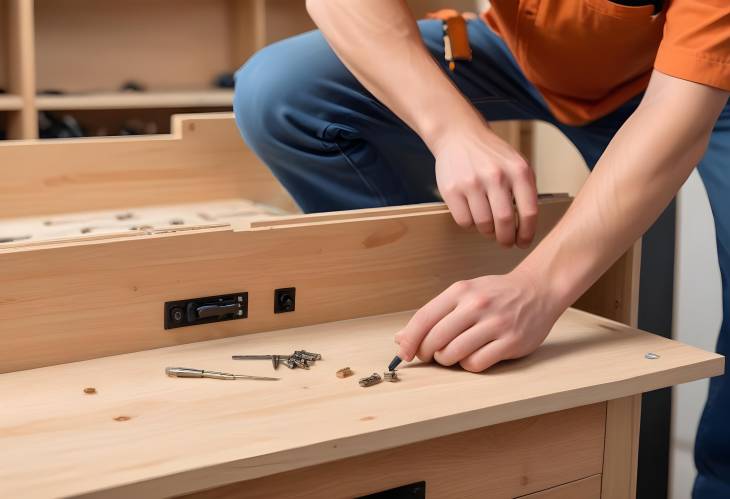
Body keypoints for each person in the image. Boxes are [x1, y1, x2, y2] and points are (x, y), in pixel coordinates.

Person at [232, 1, 730, 496]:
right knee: (281, 89)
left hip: (699, 81)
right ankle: (437, 325)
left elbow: (678, 110)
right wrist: (453, 130)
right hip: (527, 58)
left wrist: (540, 288)